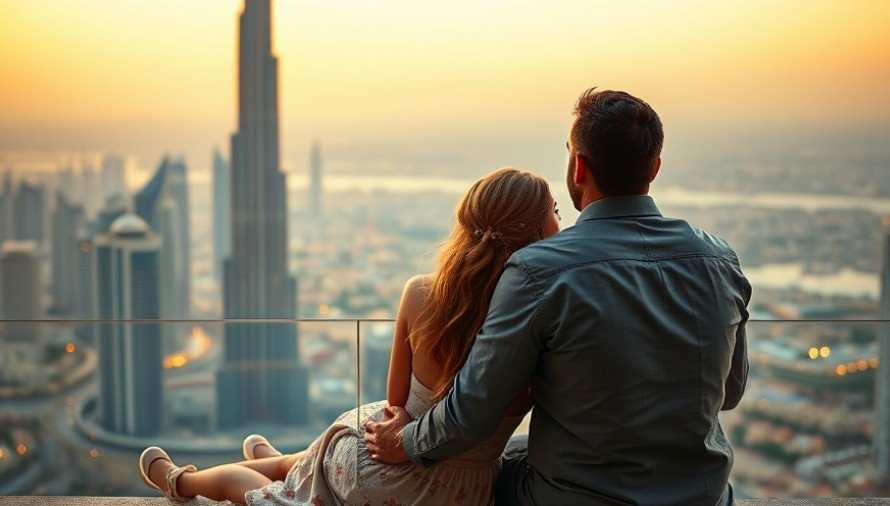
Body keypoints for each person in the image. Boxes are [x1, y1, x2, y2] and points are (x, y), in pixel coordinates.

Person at [365, 89, 751, 506]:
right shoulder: (720, 259)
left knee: (491, 467)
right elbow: (729, 392)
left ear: (578, 166)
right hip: (703, 498)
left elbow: (473, 412)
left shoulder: (538, 271)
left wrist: (403, 443)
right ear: (654, 167)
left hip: (572, 497)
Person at [138, 167, 562, 505]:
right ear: (538, 233)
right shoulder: (540, 327)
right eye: (556, 210)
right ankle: (291, 464)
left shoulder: (420, 294)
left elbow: (395, 403)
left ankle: (183, 482)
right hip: (465, 493)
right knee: (321, 453)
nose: (561, 219)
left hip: (383, 478)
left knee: (258, 491)